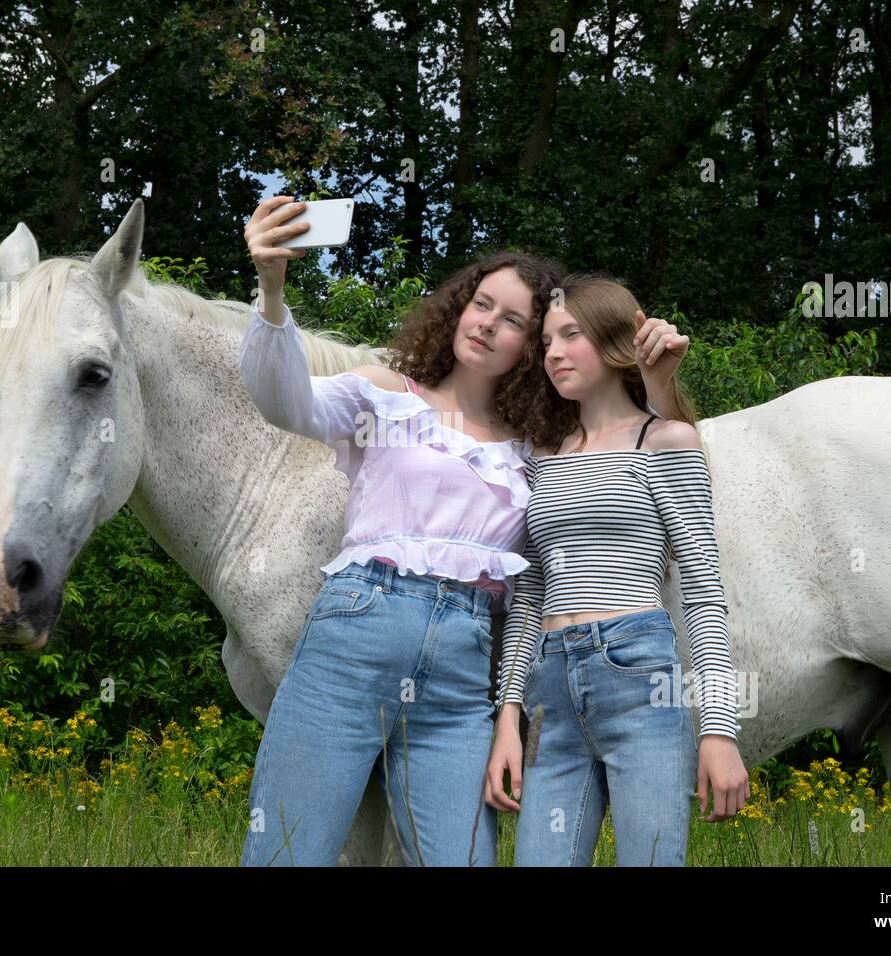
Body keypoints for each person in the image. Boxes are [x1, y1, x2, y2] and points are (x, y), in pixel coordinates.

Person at [236, 196, 687, 865]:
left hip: (461, 671)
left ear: (530, 351)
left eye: (512, 322)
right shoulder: (384, 394)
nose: (487, 325)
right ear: (458, 306)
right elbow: (283, 401)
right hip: (355, 635)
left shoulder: (539, 450)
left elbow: (635, 461)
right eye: (482, 304)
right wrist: (271, 287)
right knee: (288, 853)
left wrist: (653, 373)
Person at [485, 274, 750, 866]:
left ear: (614, 342)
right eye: (546, 341)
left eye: (570, 335)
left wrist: (719, 730)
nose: (552, 353)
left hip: (640, 679)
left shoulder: (665, 440)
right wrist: (509, 716)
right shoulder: (540, 456)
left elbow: (704, 590)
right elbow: (528, 595)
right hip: (548, 695)